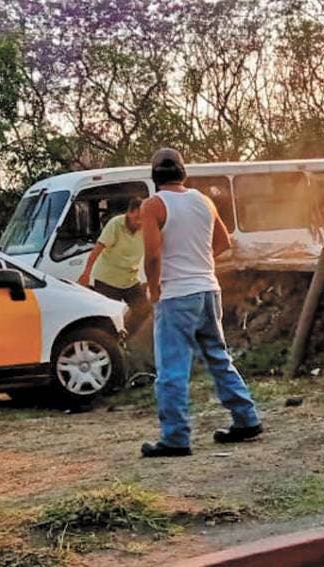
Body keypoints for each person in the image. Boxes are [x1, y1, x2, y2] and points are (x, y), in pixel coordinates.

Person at [139, 148, 262, 458]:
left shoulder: (153, 206)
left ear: (154, 177)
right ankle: (246, 419)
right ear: (184, 172)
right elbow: (223, 242)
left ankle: (176, 437)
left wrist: (154, 290)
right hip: (208, 289)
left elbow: (153, 256)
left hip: (176, 295)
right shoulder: (203, 201)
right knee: (219, 358)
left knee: (172, 368)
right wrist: (199, 259)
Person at [77, 197, 150, 329]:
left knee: (144, 311)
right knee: (109, 317)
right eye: (137, 218)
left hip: (130, 279)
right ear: (130, 212)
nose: (140, 222)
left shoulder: (146, 227)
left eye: (143, 218)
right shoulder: (115, 224)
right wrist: (86, 273)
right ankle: (112, 342)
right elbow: (97, 250)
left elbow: (154, 252)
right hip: (107, 279)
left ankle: (126, 337)